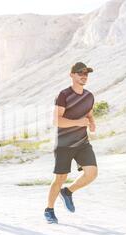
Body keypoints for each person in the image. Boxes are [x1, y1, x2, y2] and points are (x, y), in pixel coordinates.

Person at [44, 62, 98, 224]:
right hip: (64, 144)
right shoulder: (63, 95)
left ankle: (67, 192)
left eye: (86, 73)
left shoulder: (89, 96)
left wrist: (92, 122)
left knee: (92, 173)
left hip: (82, 143)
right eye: (80, 73)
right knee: (60, 178)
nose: (84, 76)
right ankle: (49, 210)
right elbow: (57, 121)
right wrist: (78, 123)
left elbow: (88, 114)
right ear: (72, 75)